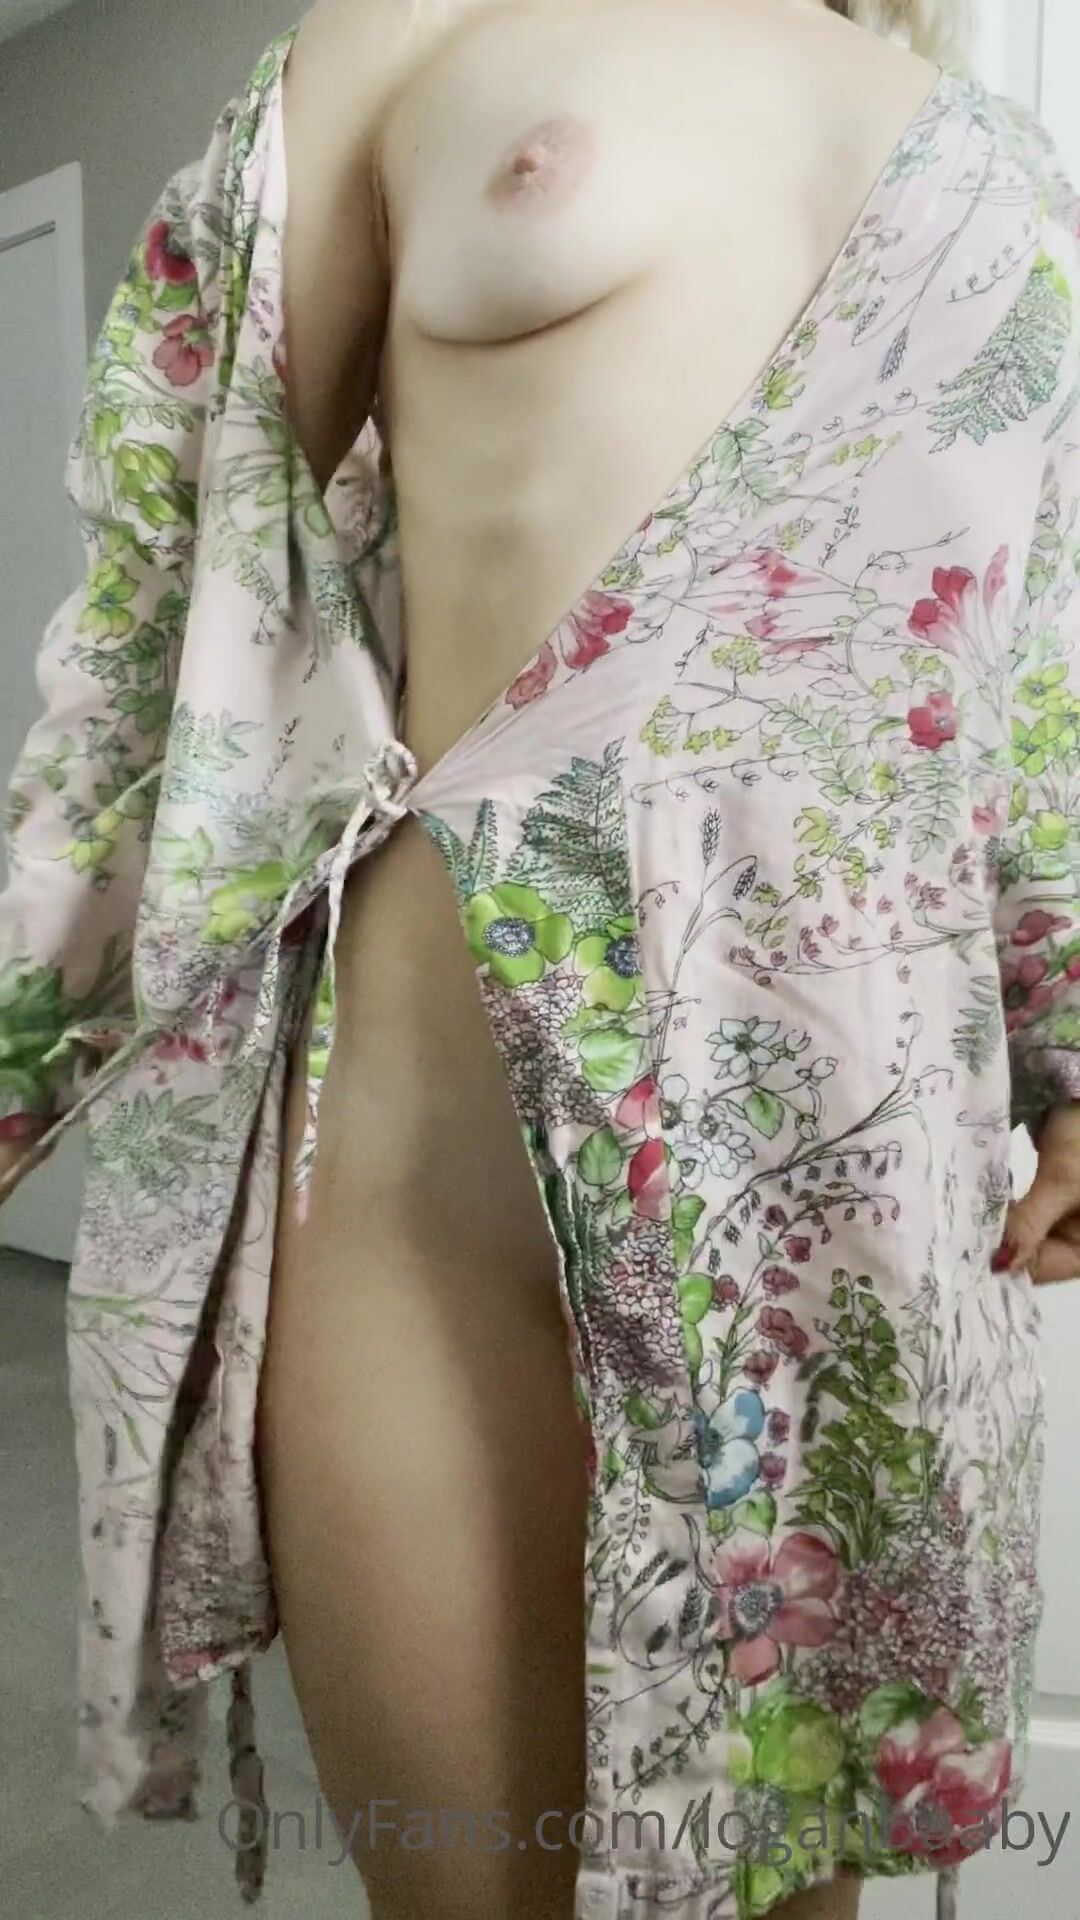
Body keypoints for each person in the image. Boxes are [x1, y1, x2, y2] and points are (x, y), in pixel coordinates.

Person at [2, 0, 1080, 1916]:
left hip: (859, 1195)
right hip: (443, 1186)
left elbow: (1038, 672)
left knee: (791, 1886)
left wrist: (1070, 1046)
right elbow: (163, 607)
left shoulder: (986, 139)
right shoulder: (419, 33)